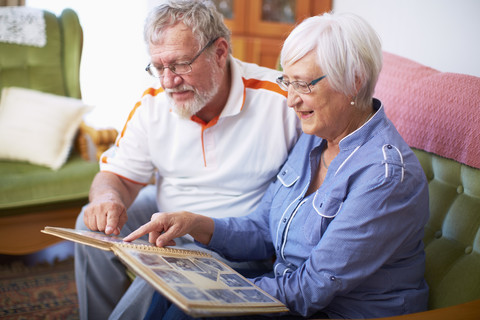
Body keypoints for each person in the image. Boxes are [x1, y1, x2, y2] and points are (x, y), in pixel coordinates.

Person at [125, 12, 430, 319]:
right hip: (292, 296)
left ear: (353, 81)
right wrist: (194, 223)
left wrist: (220, 289)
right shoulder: (315, 138)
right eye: (288, 82)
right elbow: (263, 229)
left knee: (187, 307)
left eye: (303, 85)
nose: (291, 100)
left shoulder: (384, 176)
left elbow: (312, 288)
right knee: (167, 292)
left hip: (339, 311)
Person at [74, 1, 301, 319]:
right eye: (158, 67)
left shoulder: (281, 102)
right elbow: (120, 176)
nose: (167, 81)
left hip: (234, 235)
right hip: (167, 216)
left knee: (164, 267)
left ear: (220, 52)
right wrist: (107, 197)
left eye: (180, 65)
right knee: (90, 222)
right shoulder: (153, 103)